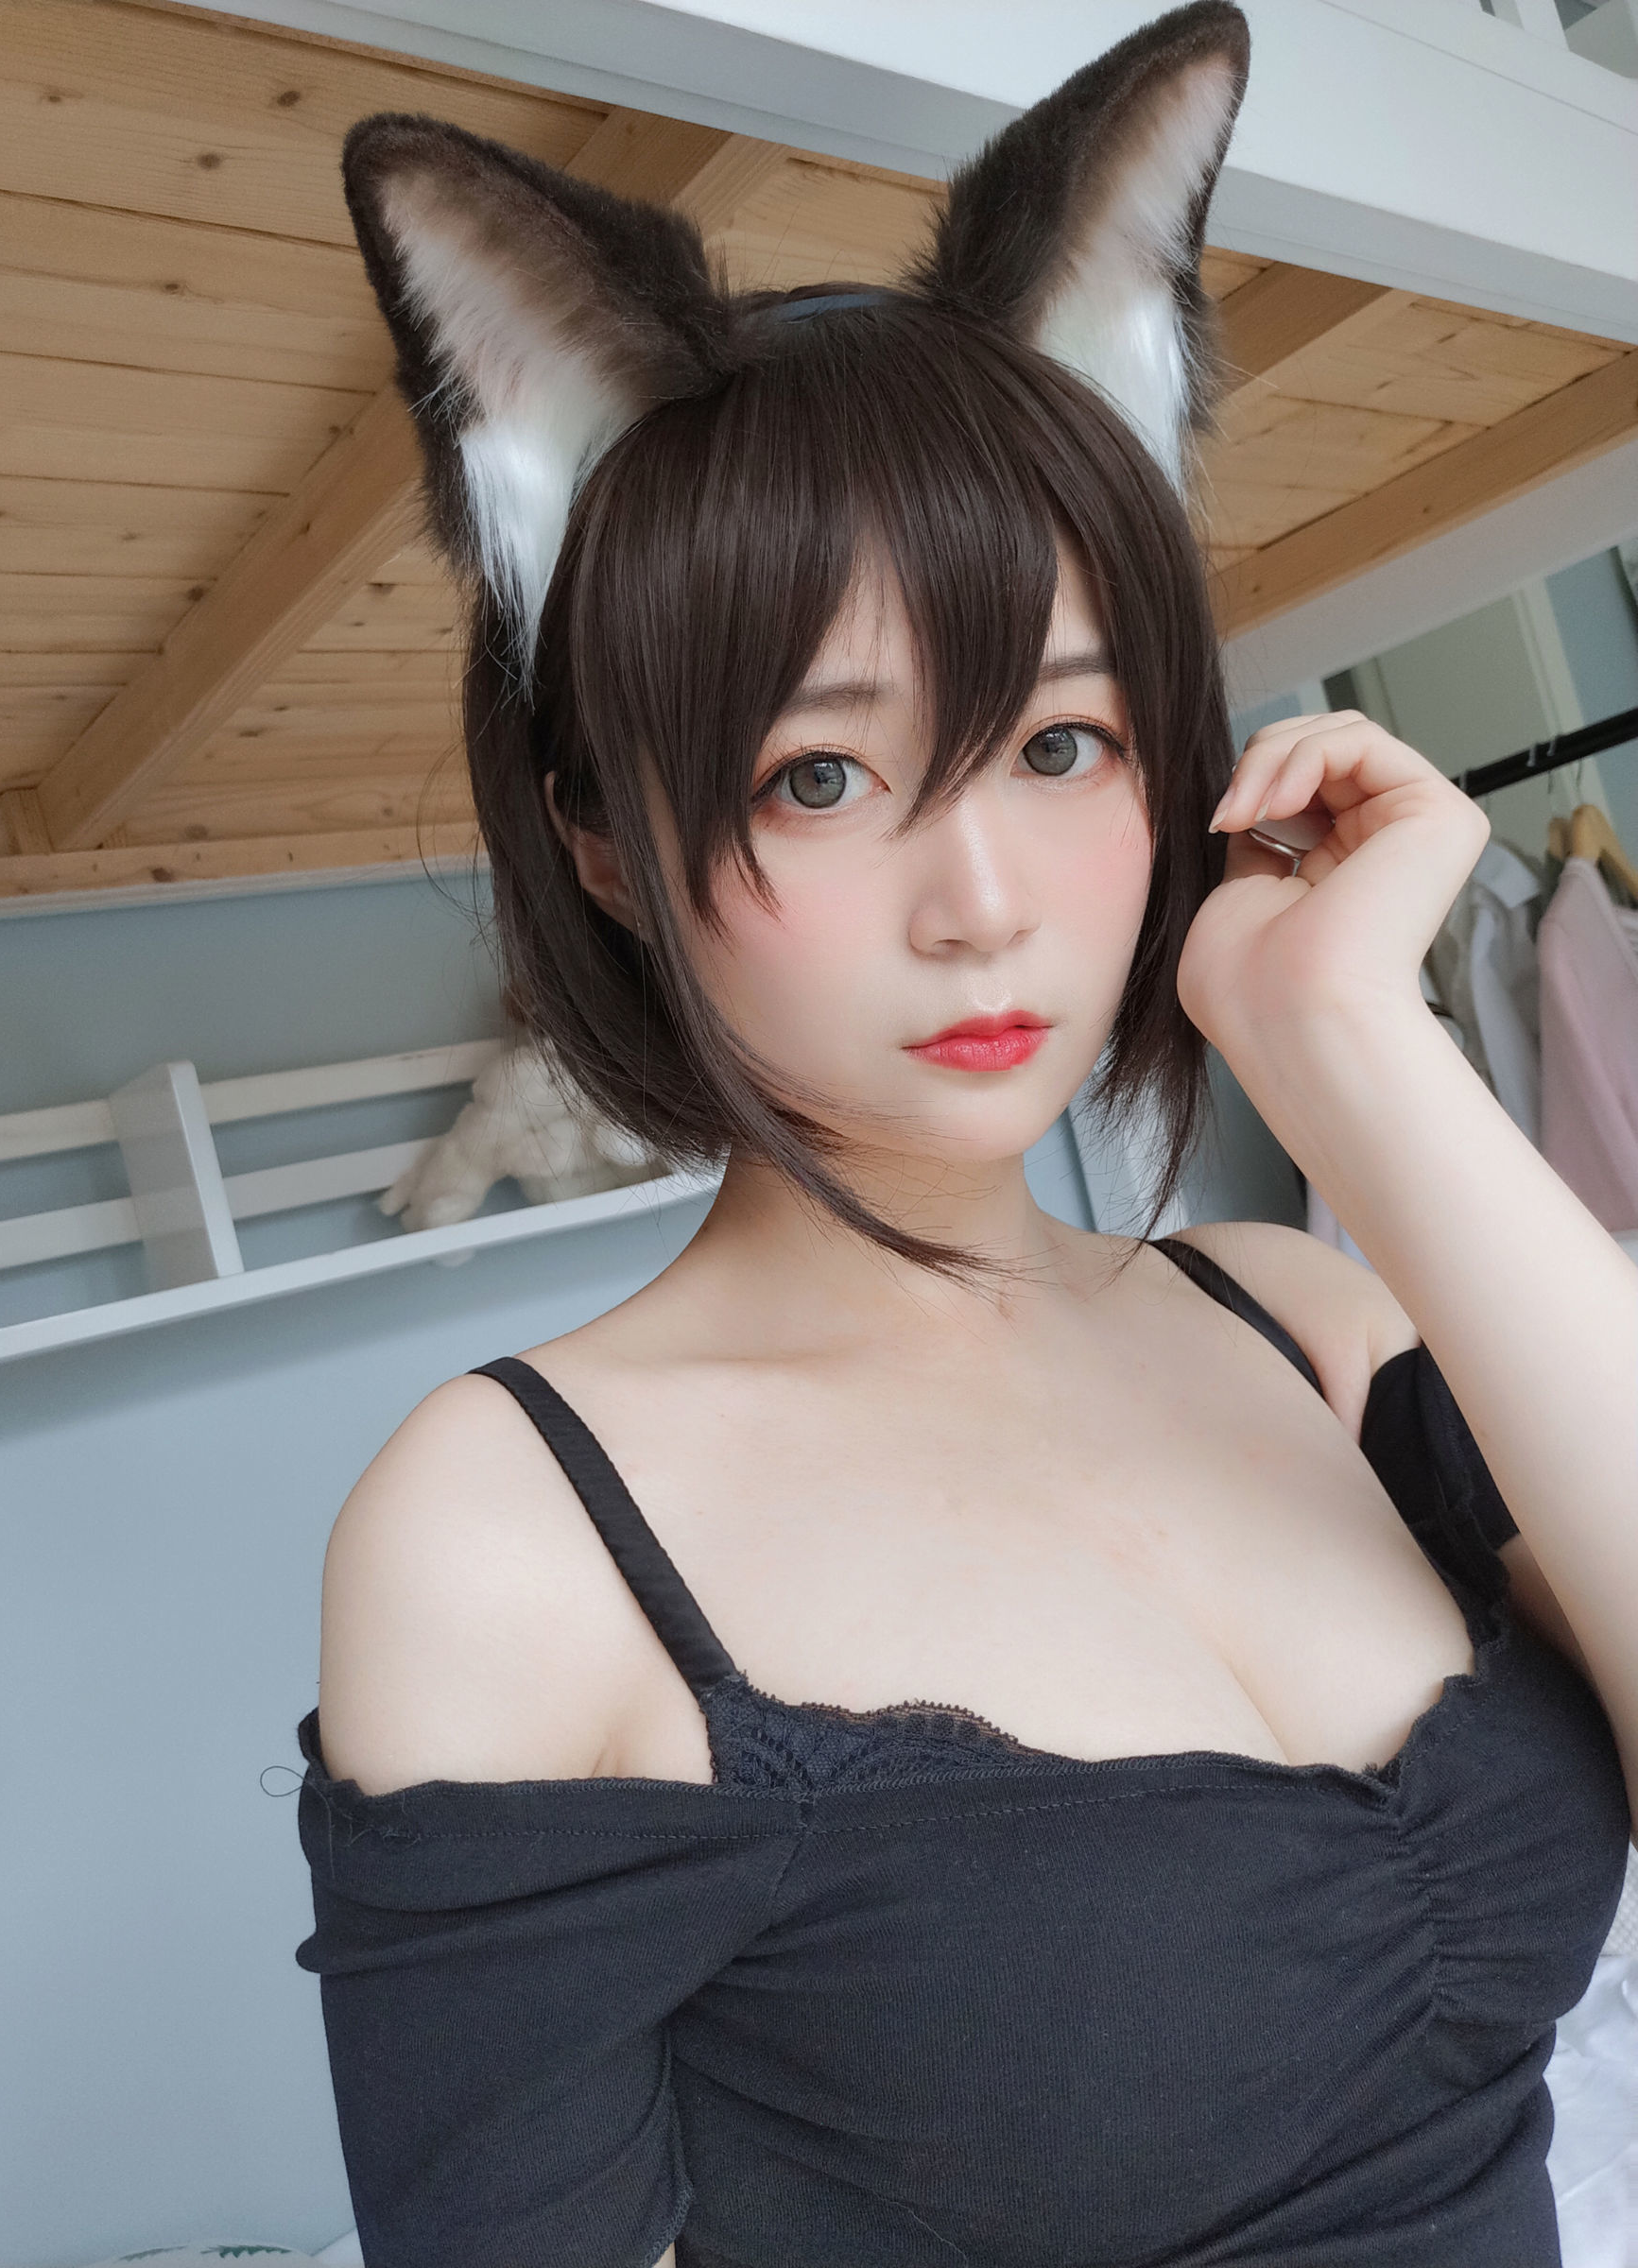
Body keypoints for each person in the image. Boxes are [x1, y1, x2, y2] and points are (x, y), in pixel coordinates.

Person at [294, 6, 1637, 2262]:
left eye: (1061, 744)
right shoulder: (508, 1534)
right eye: (820, 775)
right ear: (608, 841)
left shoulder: (1295, 1319)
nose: (985, 899)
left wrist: (1346, 1036)